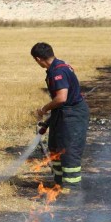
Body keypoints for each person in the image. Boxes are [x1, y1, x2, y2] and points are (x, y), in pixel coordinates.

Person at [32, 42, 89, 188]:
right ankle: (58, 184)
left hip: (73, 115)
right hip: (62, 113)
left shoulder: (57, 72)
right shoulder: (60, 66)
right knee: (55, 147)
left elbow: (61, 98)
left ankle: (72, 190)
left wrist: (43, 110)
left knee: (69, 152)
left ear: (38, 59)